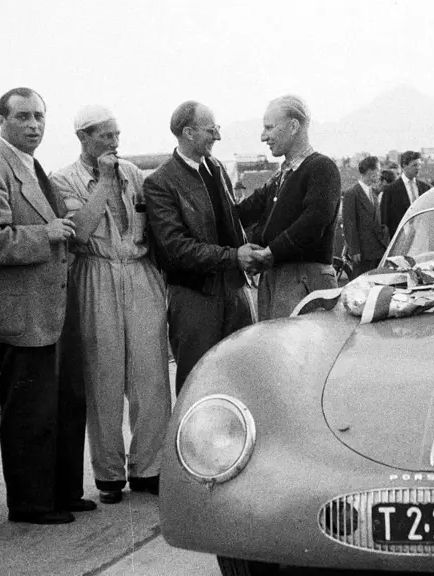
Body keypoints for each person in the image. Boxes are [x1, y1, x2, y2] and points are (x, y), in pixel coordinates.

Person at [50, 105, 170, 505]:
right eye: (106, 136)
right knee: (103, 375)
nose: (115, 144)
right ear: (84, 138)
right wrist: (102, 181)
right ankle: (109, 474)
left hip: (138, 270)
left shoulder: (133, 174)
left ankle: (148, 468)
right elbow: (80, 233)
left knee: (150, 373)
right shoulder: (63, 179)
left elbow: (149, 225)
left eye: (117, 135)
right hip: (96, 272)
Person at [0, 87, 93, 524]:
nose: (34, 124)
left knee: (67, 399)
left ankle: (63, 491)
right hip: (23, 311)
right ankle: (31, 503)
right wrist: (46, 234)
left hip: (56, 303)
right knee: (30, 409)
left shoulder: (33, 166)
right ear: (2, 120)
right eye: (23, 117)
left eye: (39, 117)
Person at [144, 101, 255, 394]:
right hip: (195, 298)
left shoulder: (216, 167)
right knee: (198, 385)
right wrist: (234, 257)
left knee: (242, 377)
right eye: (211, 129)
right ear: (188, 132)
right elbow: (176, 249)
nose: (217, 135)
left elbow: (232, 218)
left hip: (234, 289)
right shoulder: (161, 182)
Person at [237, 94, 341, 320]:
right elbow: (242, 213)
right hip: (277, 279)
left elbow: (314, 221)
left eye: (269, 127)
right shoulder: (280, 177)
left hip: (304, 282)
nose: (263, 136)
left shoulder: (321, 167)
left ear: (293, 126)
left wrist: (270, 252)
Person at [341, 156, 389, 277]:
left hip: (377, 250)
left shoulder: (372, 192)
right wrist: (354, 250)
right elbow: (349, 224)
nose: (379, 174)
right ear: (370, 171)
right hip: (363, 252)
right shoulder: (351, 193)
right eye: (378, 170)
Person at [381, 150, 430, 238]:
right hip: (400, 239)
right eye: (414, 165)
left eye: (419, 165)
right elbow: (385, 220)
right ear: (404, 166)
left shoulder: (425, 188)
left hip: (422, 237)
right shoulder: (390, 191)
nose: (418, 168)